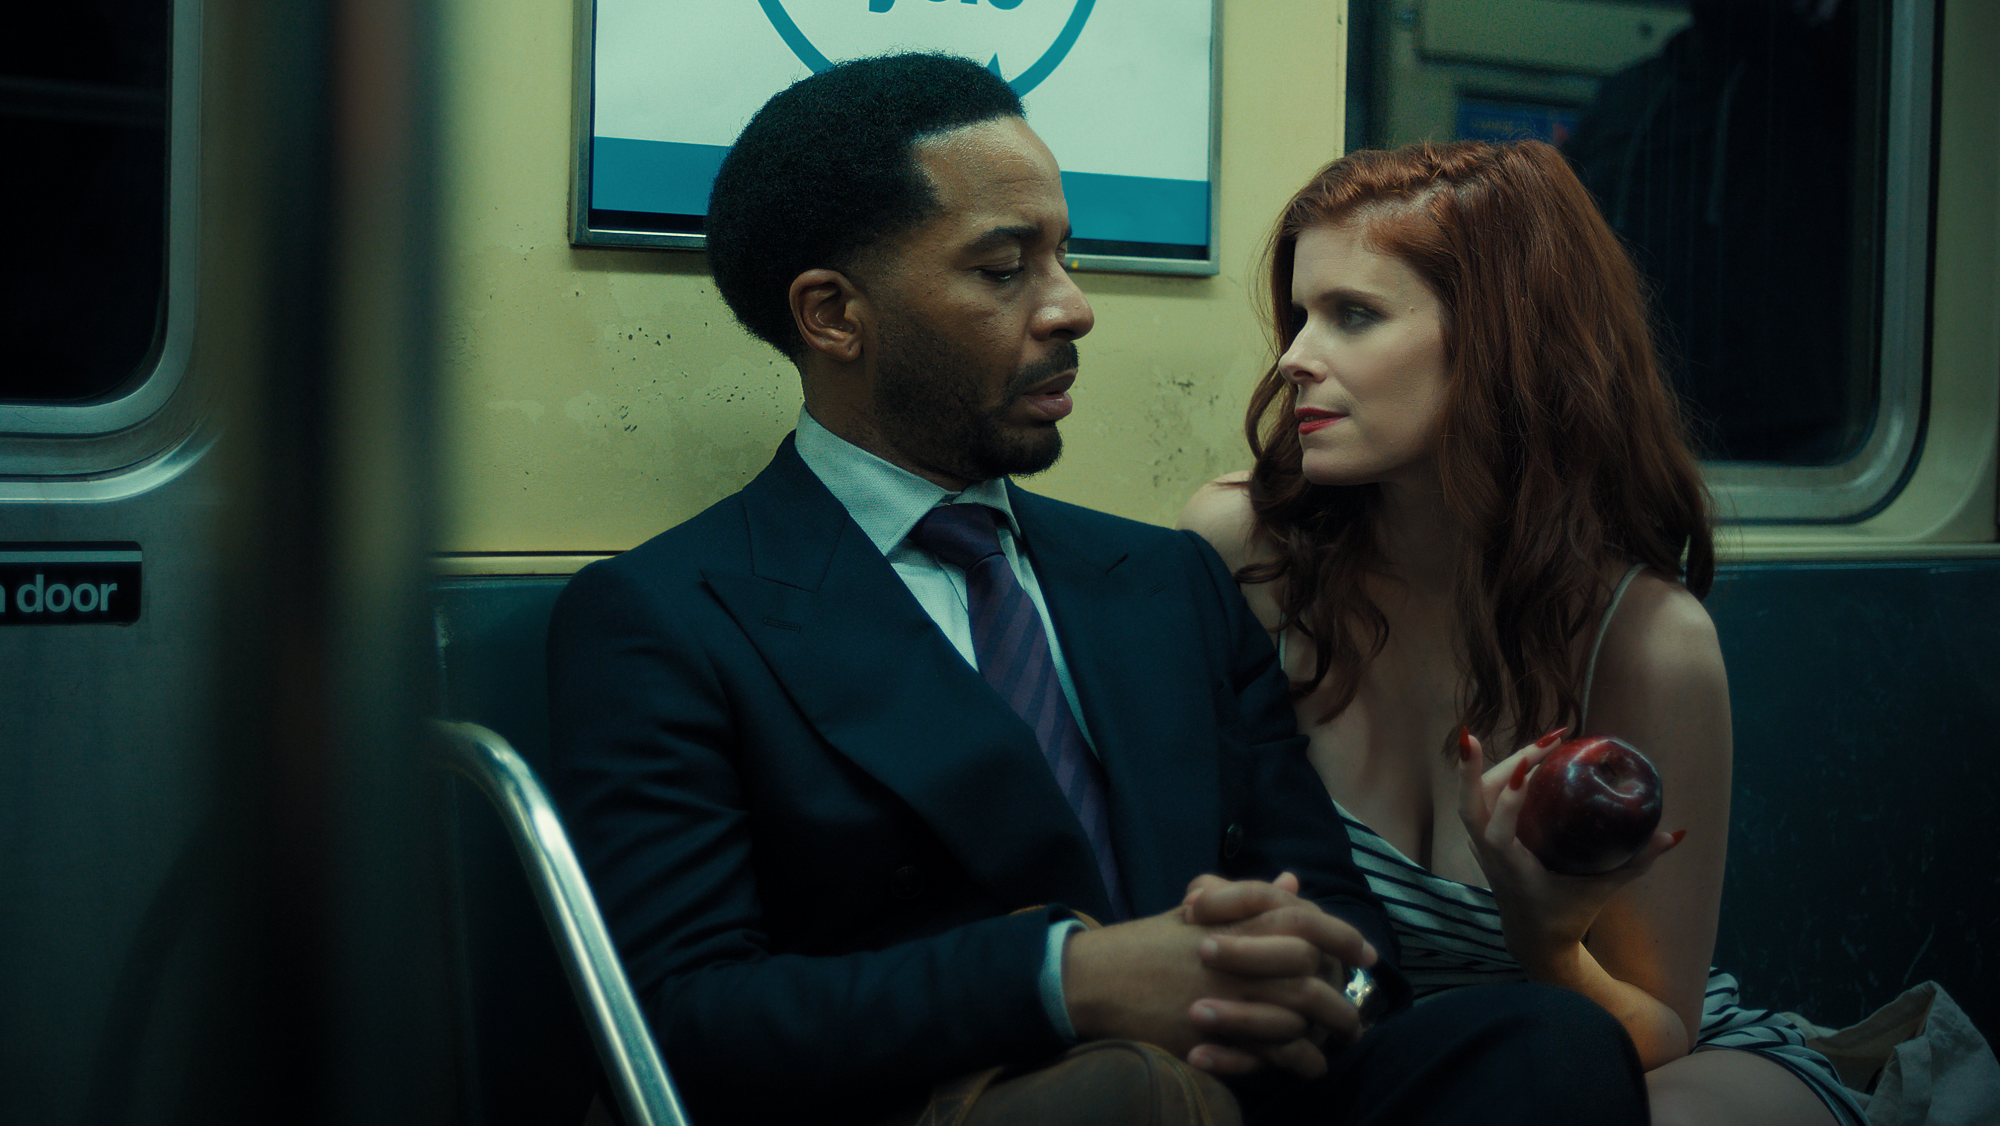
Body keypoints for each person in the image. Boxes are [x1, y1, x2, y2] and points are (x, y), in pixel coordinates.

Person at [548, 55, 1651, 1126]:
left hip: (1246, 1075)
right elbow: (680, 1017)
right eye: (1004, 270)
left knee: (1545, 1043)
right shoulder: (672, 616)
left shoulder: (1164, 580)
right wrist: (1065, 979)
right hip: (966, 1089)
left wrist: (1310, 980)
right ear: (834, 315)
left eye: (1064, 257)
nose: (1071, 307)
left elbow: (1339, 918)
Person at [1178, 140, 1867, 1126]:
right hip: (1372, 1056)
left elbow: (1653, 1027)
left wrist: (1545, 936)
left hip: (1611, 1054)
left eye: (1353, 315)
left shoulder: (1644, 639)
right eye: (1300, 316)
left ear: (1501, 341)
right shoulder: (1244, 549)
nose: (1293, 358)